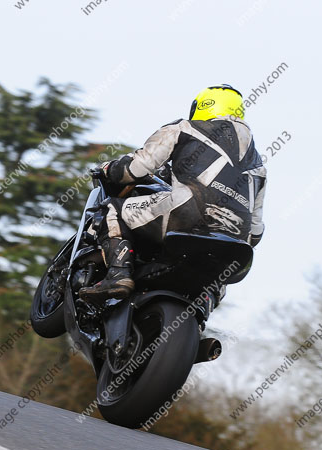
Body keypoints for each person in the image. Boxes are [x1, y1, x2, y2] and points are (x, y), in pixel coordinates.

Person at [78, 84, 267, 302]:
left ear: (203, 106)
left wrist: (110, 169)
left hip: (186, 212)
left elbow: (137, 168)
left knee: (112, 209)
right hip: (235, 241)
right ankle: (200, 317)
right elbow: (255, 231)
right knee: (217, 278)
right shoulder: (259, 166)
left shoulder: (185, 128)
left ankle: (118, 274)